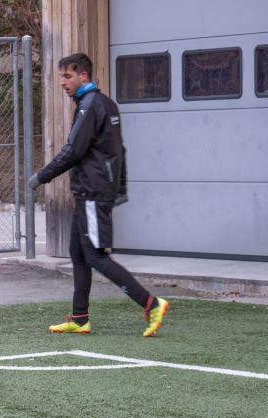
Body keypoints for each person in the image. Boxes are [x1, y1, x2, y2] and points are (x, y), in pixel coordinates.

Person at [28, 53, 169, 336]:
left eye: (68, 76)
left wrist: (42, 177)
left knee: (95, 256)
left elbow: (73, 150)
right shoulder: (105, 104)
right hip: (91, 190)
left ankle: (151, 303)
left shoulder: (90, 106)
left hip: (93, 192)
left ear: (84, 76)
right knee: (78, 254)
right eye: (61, 77)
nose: (63, 83)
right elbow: (120, 150)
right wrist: (120, 187)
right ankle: (80, 318)